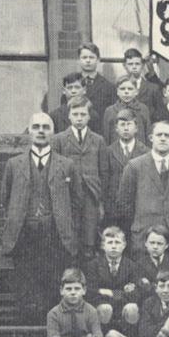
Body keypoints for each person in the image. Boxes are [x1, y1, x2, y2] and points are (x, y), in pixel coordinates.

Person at [1, 113, 82, 322]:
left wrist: (64, 225)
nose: (40, 131)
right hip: (24, 233)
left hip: (54, 233)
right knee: (26, 282)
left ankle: (51, 327)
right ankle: (28, 330)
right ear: (29, 131)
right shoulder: (14, 164)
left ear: (52, 132)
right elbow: (6, 199)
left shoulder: (67, 164)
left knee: (51, 281)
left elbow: (76, 201)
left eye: (45, 127)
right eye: (36, 127)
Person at [117, 121, 169, 254]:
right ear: (151, 138)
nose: (163, 138)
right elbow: (124, 203)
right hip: (145, 237)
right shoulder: (135, 166)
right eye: (159, 135)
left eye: (167, 135)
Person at [51, 96, 109, 258]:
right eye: (75, 114)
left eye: (83, 114)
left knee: (90, 236)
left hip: (91, 194)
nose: (79, 118)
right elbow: (55, 169)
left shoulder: (98, 140)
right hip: (68, 194)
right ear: (69, 116)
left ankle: (88, 270)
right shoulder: (59, 140)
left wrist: (100, 199)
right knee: (70, 233)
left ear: (89, 116)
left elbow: (104, 171)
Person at [45, 268, 129, 337]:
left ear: (84, 290)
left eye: (77, 288)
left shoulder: (91, 311)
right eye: (68, 289)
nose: (73, 292)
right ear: (61, 291)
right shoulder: (53, 313)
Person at [83, 226, 141, 332]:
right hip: (102, 307)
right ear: (103, 246)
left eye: (117, 242)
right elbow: (90, 292)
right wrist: (121, 293)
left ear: (124, 245)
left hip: (123, 306)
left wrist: (110, 293)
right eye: (110, 243)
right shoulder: (93, 265)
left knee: (132, 308)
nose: (114, 246)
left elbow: (136, 294)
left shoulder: (132, 266)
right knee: (105, 309)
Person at [71, 43, 116, 133]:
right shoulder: (71, 84)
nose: (88, 61)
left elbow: (111, 117)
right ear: (79, 60)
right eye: (84, 57)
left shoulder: (109, 87)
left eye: (91, 57)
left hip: (99, 135)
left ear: (98, 60)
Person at [101, 76, 151, 145]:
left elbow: (148, 134)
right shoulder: (110, 111)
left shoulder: (143, 109)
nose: (126, 92)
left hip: (139, 151)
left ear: (136, 91)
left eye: (130, 89)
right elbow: (106, 137)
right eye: (122, 89)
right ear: (117, 92)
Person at [123, 48, 163, 117]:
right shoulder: (119, 87)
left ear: (142, 65)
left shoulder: (153, 89)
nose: (134, 67)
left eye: (137, 64)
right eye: (130, 64)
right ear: (124, 66)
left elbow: (160, 113)